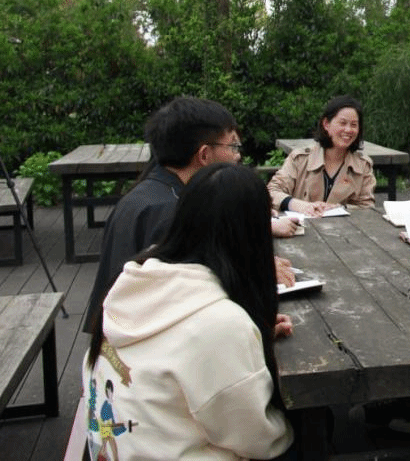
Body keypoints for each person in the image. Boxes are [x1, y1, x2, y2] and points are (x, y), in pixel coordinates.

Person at [82, 162, 294, 461]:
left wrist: (253, 336)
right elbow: (259, 439)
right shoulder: (221, 323)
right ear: (254, 233)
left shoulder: (136, 280)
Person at [84, 97, 295, 333]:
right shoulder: (172, 213)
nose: (238, 156)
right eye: (233, 146)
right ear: (204, 155)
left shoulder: (147, 194)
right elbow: (187, 301)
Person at [269, 96, 376, 214]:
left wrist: (341, 208)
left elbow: (367, 207)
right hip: (300, 224)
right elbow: (272, 191)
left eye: (354, 125)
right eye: (343, 123)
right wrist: (299, 205)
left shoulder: (363, 165)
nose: (348, 129)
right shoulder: (300, 159)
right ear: (326, 124)